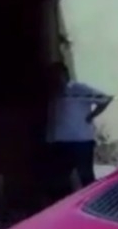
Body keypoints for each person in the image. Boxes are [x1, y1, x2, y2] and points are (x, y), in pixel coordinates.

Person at [45, 62, 112, 202]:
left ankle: (94, 203)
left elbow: (105, 99)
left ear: (64, 75)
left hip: (80, 140)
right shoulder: (51, 92)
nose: (56, 78)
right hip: (59, 140)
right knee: (61, 177)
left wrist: (91, 116)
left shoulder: (78, 89)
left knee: (85, 175)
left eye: (58, 75)